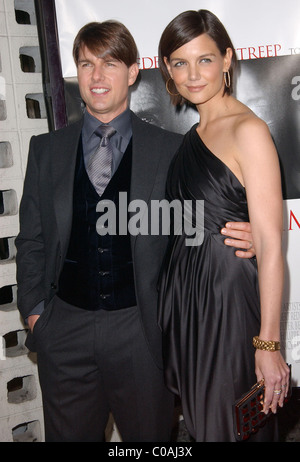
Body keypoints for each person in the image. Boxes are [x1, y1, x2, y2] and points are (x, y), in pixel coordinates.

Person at [15, 20, 254, 442]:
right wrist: (36, 314)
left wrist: (249, 235)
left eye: (110, 64)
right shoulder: (45, 150)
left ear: (131, 73)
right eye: (87, 65)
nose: (97, 76)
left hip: (142, 333)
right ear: (77, 74)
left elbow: (195, 226)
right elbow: (31, 239)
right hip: (63, 330)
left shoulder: (172, 148)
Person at [158, 9, 290, 442]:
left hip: (227, 302)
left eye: (205, 59)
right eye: (180, 62)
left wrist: (268, 346)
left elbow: (272, 247)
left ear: (228, 59)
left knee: (228, 427)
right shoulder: (192, 137)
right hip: (190, 302)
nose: (193, 74)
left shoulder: (248, 130)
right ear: (168, 70)